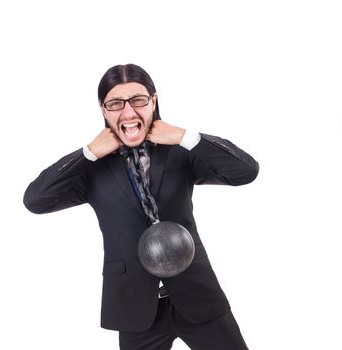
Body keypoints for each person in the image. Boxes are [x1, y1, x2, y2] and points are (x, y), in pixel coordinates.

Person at [24, 64, 258, 350]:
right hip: (136, 309)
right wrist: (88, 153)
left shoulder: (180, 154)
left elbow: (245, 171)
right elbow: (35, 200)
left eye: (138, 100)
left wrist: (184, 136)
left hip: (198, 297)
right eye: (115, 103)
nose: (129, 112)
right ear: (103, 109)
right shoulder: (92, 169)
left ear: (153, 101)